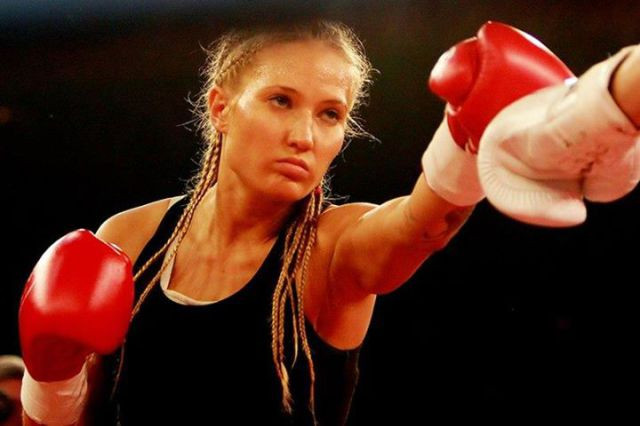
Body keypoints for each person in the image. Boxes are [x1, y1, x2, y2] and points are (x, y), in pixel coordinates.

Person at [17, 19, 640, 425]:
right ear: (221, 108)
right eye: (281, 100)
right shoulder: (128, 238)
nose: (304, 136)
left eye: (330, 114)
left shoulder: (333, 249)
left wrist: (465, 138)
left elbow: (421, 224)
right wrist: (50, 382)